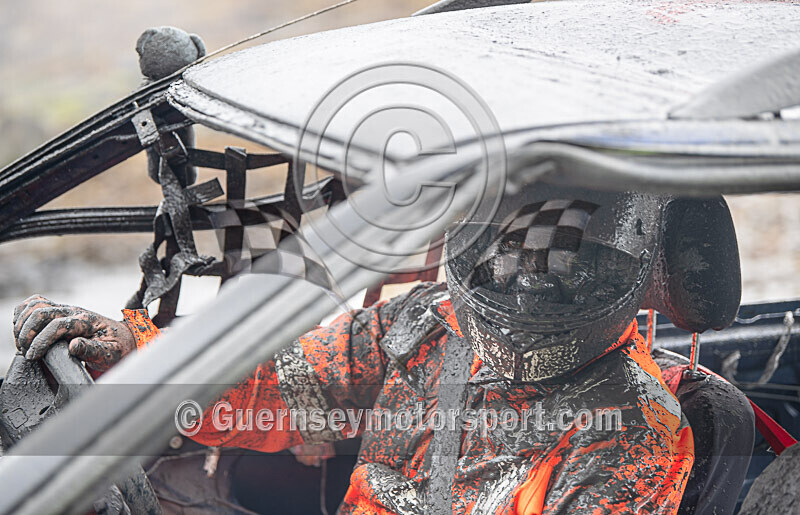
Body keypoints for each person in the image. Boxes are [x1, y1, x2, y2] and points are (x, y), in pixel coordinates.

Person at [13, 185, 696, 514]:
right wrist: (135, 353)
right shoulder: (429, 322)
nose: (524, 287)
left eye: (557, 274)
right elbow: (277, 388)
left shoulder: (634, 433)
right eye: (511, 260)